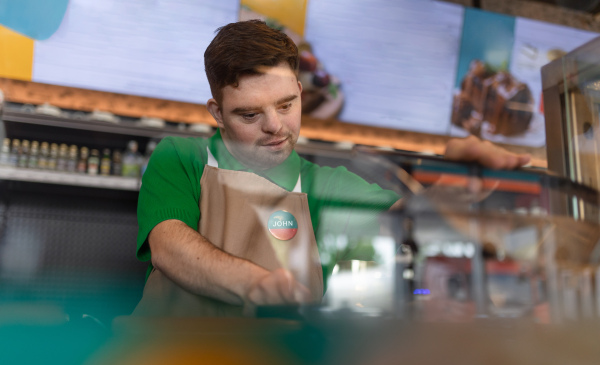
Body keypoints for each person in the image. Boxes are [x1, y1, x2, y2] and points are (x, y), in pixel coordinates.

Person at [132, 20, 531, 317]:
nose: (275, 125)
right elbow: (170, 248)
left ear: (301, 93)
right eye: (250, 114)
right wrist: (259, 284)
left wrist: (455, 183)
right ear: (217, 113)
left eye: (286, 105)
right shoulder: (181, 157)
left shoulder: (326, 184)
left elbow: (408, 223)